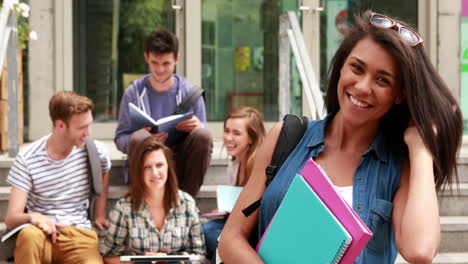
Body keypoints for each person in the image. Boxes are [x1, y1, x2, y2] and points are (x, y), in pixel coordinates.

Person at [218, 11, 463, 264]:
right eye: (357, 68)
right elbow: (231, 239)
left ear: (398, 95)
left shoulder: (399, 164)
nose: (362, 87)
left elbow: (419, 251)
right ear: (341, 66)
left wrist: (421, 147)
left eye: (382, 80)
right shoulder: (286, 138)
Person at [5, 91, 112, 264]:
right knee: (28, 236)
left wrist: (100, 213)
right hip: (40, 233)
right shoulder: (27, 159)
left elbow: (105, 171)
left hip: (79, 234)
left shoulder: (93, 150)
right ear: (60, 125)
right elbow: (11, 219)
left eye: (89, 125)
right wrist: (34, 217)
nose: (88, 133)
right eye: (81, 128)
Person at [114, 28, 213, 197]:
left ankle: (185, 203)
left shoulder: (191, 94)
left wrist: (198, 127)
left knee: (203, 135)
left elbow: (203, 141)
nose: (160, 70)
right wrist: (141, 138)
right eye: (155, 63)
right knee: (139, 138)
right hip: (145, 163)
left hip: (179, 164)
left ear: (176, 60)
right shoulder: (133, 93)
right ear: (146, 58)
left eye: (166, 63)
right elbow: (120, 138)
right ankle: (144, 201)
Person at [99, 137, 206, 263]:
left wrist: (172, 261)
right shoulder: (124, 208)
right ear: (139, 171)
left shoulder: (187, 204)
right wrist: (140, 261)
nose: (155, 172)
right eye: (147, 167)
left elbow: (199, 255)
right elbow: (108, 255)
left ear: (168, 167)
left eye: (159, 165)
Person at [202, 107, 266, 260]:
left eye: (236, 133)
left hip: (256, 226)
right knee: (207, 229)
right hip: (239, 221)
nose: (228, 138)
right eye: (227, 131)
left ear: (251, 137)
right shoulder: (234, 166)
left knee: (213, 233)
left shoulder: (259, 165)